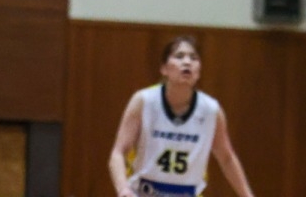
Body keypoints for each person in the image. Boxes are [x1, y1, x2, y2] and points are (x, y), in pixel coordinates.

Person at [109, 36, 256, 197]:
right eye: (179, 56)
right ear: (164, 68)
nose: (187, 62)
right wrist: (123, 189)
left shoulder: (210, 110)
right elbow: (118, 152)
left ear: (199, 71)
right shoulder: (144, 101)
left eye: (193, 58)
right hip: (143, 192)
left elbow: (227, 158)